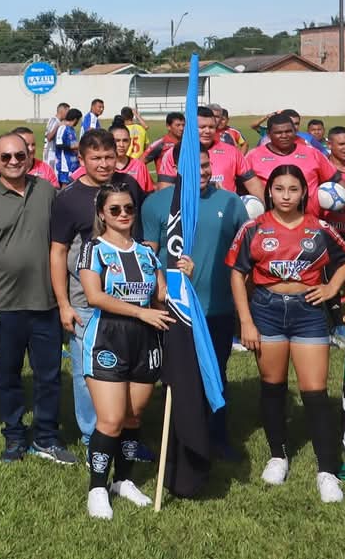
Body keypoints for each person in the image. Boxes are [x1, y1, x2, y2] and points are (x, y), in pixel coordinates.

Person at [226, 164, 345, 503]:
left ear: (303, 193)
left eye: (293, 189)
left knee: (314, 392)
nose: (285, 195)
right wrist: (246, 321)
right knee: (273, 386)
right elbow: (237, 274)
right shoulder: (254, 228)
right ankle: (278, 456)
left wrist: (331, 288)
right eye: (279, 189)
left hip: (308, 311)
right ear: (269, 192)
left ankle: (327, 471)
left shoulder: (319, 228)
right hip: (266, 310)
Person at [0, 132, 75, 464]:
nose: (13, 162)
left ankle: (45, 437)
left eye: (19, 156)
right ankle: (14, 436)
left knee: (48, 375)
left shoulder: (47, 191)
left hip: (45, 303)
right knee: (8, 376)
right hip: (3, 307)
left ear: (29, 157)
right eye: (6, 157)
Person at [142, 145, 248, 458]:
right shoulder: (157, 204)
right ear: (176, 168)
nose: (202, 172)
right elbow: (149, 255)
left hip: (216, 308)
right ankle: (179, 440)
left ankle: (217, 437)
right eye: (193, 167)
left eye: (205, 165)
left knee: (215, 373)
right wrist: (159, 291)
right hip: (174, 310)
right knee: (178, 377)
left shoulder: (230, 202)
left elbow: (242, 256)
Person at [79, 182, 174, 519]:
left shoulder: (148, 253)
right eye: (114, 209)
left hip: (146, 338)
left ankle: (124, 480)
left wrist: (178, 278)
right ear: (102, 213)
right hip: (108, 336)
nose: (123, 215)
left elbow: (160, 295)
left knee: (133, 415)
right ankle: (96, 488)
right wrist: (140, 311)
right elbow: (95, 296)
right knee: (111, 418)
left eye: (128, 209)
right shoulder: (94, 249)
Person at [50, 129, 146, 449]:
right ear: (81, 159)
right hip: (86, 300)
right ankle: (95, 435)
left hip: (129, 296)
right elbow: (59, 252)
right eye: (96, 158)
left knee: (129, 366)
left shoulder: (128, 186)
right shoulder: (68, 198)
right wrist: (64, 303)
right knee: (89, 369)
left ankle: (124, 432)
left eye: (109, 157)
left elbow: (139, 240)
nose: (104, 164)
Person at [243, 112, 345, 217]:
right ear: (268, 134)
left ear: (295, 131)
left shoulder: (312, 153)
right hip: (272, 223)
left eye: (289, 131)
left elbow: (338, 181)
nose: (284, 135)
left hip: (311, 222)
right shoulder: (253, 156)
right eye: (278, 132)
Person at [155, 107, 258, 195]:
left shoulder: (232, 152)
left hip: (225, 212)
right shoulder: (173, 154)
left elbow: (252, 183)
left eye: (211, 127)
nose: (207, 131)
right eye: (202, 127)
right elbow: (165, 190)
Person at [71, 124, 155, 193]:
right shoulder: (86, 171)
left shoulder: (138, 168)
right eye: (117, 141)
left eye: (125, 140)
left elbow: (148, 195)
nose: (121, 145)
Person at [144, 112, 185, 177]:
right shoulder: (160, 144)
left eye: (183, 125)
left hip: (186, 185)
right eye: (178, 125)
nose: (181, 128)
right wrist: (151, 183)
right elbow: (139, 164)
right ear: (168, 126)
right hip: (167, 184)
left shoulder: (187, 143)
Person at [54, 108, 82, 185]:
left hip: (73, 162)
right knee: (65, 184)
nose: (79, 122)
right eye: (79, 120)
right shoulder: (63, 128)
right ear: (75, 119)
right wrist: (72, 146)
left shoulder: (72, 129)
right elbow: (58, 144)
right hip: (64, 163)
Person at [44, 102, 70, 167]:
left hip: (55, 152)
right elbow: (49, 137)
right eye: (67, 111)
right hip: (50, 152)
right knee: (49, 174)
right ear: (62, 111)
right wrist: (57, 126)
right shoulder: (53, 120)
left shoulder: (59, 121)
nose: (68, 114)